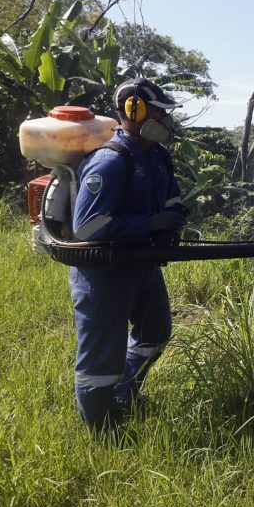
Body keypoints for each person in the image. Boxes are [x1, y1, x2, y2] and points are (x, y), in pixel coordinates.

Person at [69, 77, 186, 432]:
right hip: (104, 274)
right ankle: (102, 431)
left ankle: (125, 388)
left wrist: (174, 219)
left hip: (142, 265)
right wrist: (150, 223)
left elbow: (171, 198)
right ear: (134, 111)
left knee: (156, 330)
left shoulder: (158, 156)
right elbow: (86, 227)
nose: (166, 120)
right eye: (160, 112)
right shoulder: (109, 161)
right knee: (101, 358)